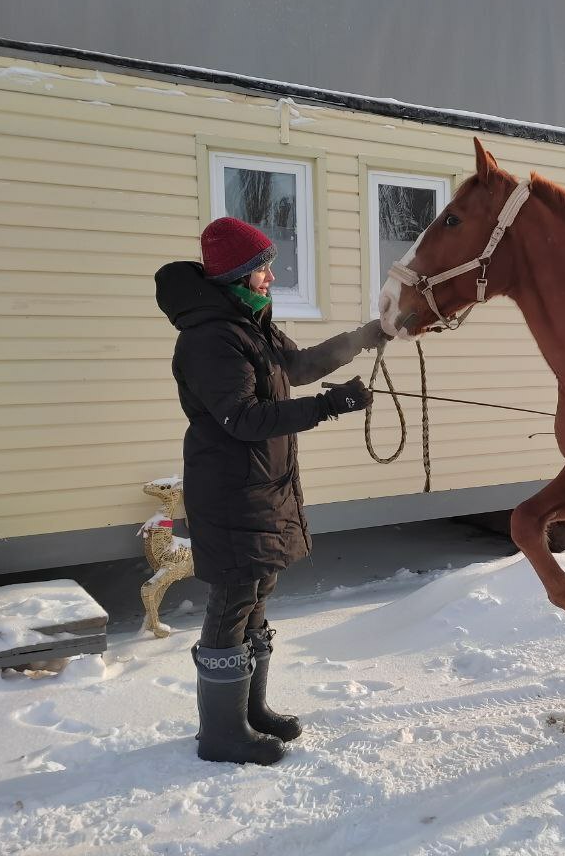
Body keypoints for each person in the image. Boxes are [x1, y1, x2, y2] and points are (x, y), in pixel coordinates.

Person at [155, 217, 388, 765]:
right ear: (239, 274)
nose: (271, 274)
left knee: (258, 591)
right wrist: (332, 406)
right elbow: (243, 417)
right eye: (263, 267)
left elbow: (299, 366)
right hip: (232, 489)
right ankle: (221, 734)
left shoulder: (248, 321)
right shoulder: (212, 336)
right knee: (234, 597)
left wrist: (363, 337)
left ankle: (249, 713)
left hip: (263, 482)